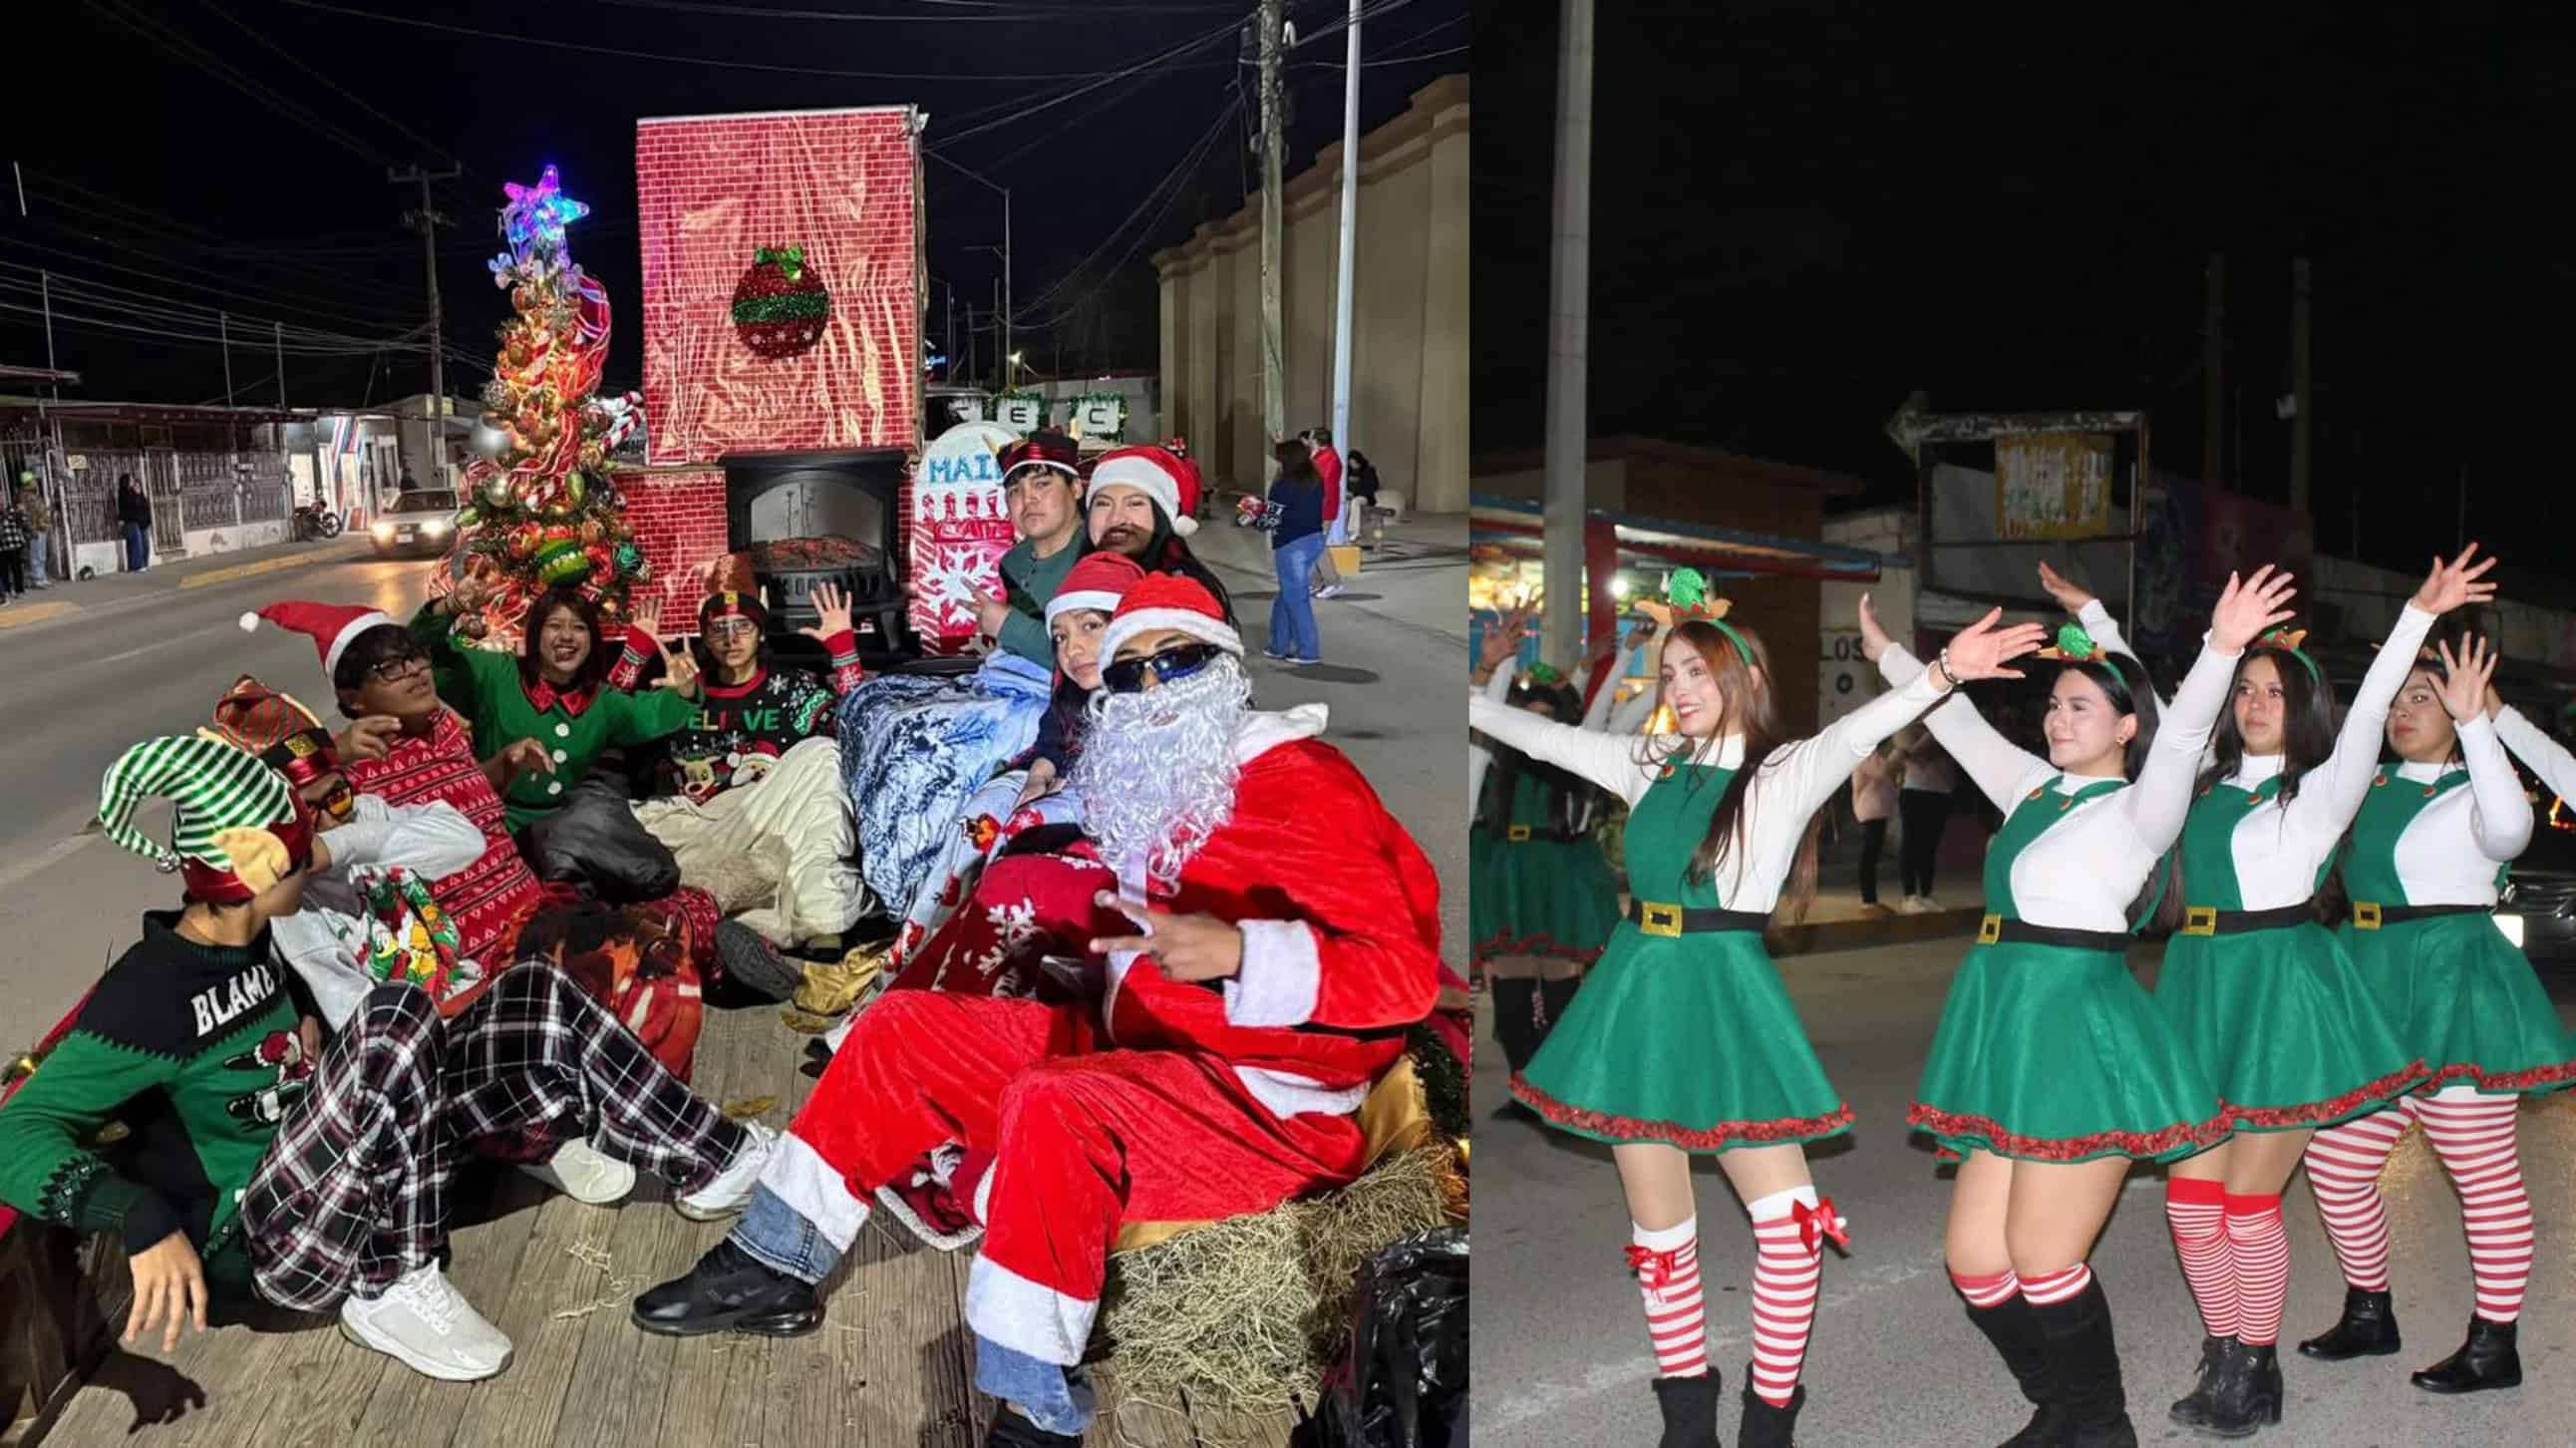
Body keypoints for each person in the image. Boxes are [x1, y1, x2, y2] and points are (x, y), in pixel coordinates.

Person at [631, 572, 1443, 1448]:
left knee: (1055, 1106)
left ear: (1226, 667)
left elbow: (1402, 976)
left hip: (1261, 1105)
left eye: (1177, 661)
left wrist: (1247, 953)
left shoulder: (1300, 783)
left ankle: (1033, 1413)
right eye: (1130, 674)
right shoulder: (1159, 781)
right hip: (1145, 1051)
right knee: (901, 1027)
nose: (1153, 688)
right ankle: (772, 1263)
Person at [0, 732, 776, 1383]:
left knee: (534, 989)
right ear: (253, 871)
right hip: (277, 1242)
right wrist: (134, 1215)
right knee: (398, 1008)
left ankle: (717, 1161)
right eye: (302, 851)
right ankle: (390, 1288)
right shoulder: (150, 993)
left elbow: (432, 848)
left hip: (359, 1176)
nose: (318, 861)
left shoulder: (271, 937)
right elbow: (17, 1128)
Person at [1469, 570, 2043, 1447]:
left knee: (1790, 1228)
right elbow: (1536, 739)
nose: (1681, 690)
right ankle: (1687, 1419)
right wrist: (1474, 685)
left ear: (1742, 680)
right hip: (1637, 995)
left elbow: (1863, 728)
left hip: (1726, 994)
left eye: (1697, 672)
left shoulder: (1783, 770)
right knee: (1660, 1232)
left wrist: (1941, 674)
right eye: (1670, 675)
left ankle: (1769, 1418)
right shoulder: (1648, 761)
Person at [2040, 554, 2493, 1433]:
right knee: (2190, 1202)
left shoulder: (2323, 793)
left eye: (2273, 692)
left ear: (2304, 708)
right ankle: (2228, 1350)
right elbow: (2156, 713)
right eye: (2244, 687)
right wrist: (2095, 614)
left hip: (2283, 1003)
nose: (2251, 703)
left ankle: (2253, 1369)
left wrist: (2412, 614)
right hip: (2197, 995)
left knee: (2248, 1206)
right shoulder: (2203, 780)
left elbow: (2368, 714)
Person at [1854, 566, 2296, 1447]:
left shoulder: (2144, 808)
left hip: (2082, 1038)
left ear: (2127, 725)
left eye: (2081, 708)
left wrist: (2220, 646)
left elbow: (2180, 747)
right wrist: (1897, 655)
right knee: (1977, 1264)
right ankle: (2064, 1404)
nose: (2058, 721)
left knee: (2044, 1258)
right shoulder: (2030, 787)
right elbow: (1952, 717)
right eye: (2053, 706)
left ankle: (2099, 1426)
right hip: (2008, 1033)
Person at [2295, 629, 2576, 1397]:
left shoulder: (2481, 788)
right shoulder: (2368, 789)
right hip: (2372, 986)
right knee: (2335, 1159)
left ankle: (2494, 1345)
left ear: (2459, 714)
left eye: (2426, 698)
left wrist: (2485, 721)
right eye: (2397, 699)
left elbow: (2513, 833)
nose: (2406, 710)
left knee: (2481, 1173)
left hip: (2457, 987)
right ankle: (2369, 1311)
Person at [629, 581, 868, 999]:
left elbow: (862, 729)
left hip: (768, 820)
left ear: (761, 632)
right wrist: (637, 660)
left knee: (825, 759)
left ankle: (813, 917)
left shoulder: (792, 688)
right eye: (719, 629)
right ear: (704, 637)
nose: (731, 638)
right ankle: (754, 927)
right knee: (624, 825)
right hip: (699, 831)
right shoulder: (682, 685)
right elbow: (598, 726)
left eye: (743, 626)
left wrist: (844, 652)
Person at [1467, 615, 1643, 1112]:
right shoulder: (1491, 759)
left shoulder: (1577, 759)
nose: (1534, 729)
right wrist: (1491, 666)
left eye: (1545, 720)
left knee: (1562, 981)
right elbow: (1482, 710)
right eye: (1527, 719)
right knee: (1514, 984)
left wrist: (1623, 659)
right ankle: (1529, 1086)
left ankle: (1560, 1085)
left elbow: (1605, 716)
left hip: (1561, 872)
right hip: (1508, 872)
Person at [410, 576, 701, 835]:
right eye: (554, 626)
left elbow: (649, 714)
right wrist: (449, 606)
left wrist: (685, 689)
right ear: (535, 635)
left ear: (591, 641)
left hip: (564, 828)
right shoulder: (496, 674)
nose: (566, 637)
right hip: (490, 824)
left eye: (578, 627)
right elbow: (420, 651)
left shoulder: (602, 699)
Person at [1082, 444, 1233, 621]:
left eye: (1135, 503)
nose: (1116, 518)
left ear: (1162, 516)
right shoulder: (1067, 582)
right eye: (1103, 504)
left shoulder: (1186, 601)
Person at [980, 431, 1089, 667]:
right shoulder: (1012, 563)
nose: (1028, 499)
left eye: (1042, 484)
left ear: (1076, 488)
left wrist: (1009, 626)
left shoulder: (1099, 556)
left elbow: (1096, 660)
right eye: (1014, 491)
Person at [1263, 438, 1329, 666]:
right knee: (1287, 595)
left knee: (1295, 598)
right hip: (1314, 539)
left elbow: (1269, 519)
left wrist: (1249, 516)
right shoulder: (1315, 480)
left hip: (1292, 544)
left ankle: (1308, 651)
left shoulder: (1284, 485)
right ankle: (1277, 646)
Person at [1894, 723, 1958, 911]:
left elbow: (1951, 750)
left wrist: (1934, 743)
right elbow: (1909, 750)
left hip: (1941, 791)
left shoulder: (1944, 724)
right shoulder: (1906, 725)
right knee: (1911, 843)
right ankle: (1909, 896)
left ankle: (1926, 894)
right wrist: (1933, 737)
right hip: (1915, 790)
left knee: (1929, 846)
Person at [1850, 740, 1899, 912]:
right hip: (1870, 810)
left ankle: (1871, 899)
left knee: (1872, 855)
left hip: (1878, 811)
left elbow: (1889, 778)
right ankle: (1868, 900)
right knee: (1869, 856)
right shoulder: (1865, 756)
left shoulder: (1874, 757)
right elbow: (1883, 772)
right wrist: (1896, 756)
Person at [1304, 427, 1346, 599]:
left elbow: (1326, 488)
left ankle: (1333, 582)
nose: (1309, 440)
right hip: (1314, 509)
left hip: (1322, 511)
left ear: (1317, 440)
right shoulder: (1319, 456)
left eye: (1311, 437)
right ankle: (1316, 583)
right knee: (1311, 546)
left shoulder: (1330, 459)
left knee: (1318, 546)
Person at [16, 471, 50, 589]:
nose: (36, 482)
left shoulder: (33, 495)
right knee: (36, 555)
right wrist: (31, 529)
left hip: (41, 527)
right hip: (35, 529)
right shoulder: (23, 497)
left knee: (42, 554)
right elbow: (24, 515)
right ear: (28, 483)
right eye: (33, 480)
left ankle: (42, 576)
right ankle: (37, 579)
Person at [117, 473, 153, 572]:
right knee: (136, 544)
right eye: (131, 480)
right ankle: (137, 565)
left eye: (133, 480)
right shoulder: (123, 492)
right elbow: (128, 505)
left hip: (142, 522)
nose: (132, 483)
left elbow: (145, 506)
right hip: (131, 522)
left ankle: (144, 563)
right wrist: (136, 495)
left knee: (144, 544)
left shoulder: (136, 493)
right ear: (126, 481)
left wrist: (138, 494)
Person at [0, 486, 27, 605]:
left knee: (16, 568)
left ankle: (19, 589)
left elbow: (22, 522)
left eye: (2, 497)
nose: (1, 499)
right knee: (4, 570)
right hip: (2, 545)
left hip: (14, 542)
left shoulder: (12, 510)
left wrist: (21, 514)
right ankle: (7, 589)